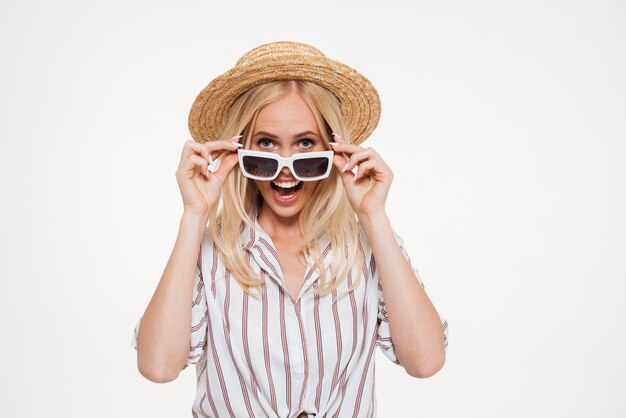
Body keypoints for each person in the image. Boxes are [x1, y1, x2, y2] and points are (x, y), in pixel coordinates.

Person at [131, 41, 449, 418]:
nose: (285, 167)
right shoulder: (209, 253)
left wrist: (374, 215)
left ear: (334, 151)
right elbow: (158, 368)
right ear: (240, 152)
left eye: (305, 144)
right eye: (266, 143)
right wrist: (193, 214)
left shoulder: (369, 248)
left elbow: (425, 362)